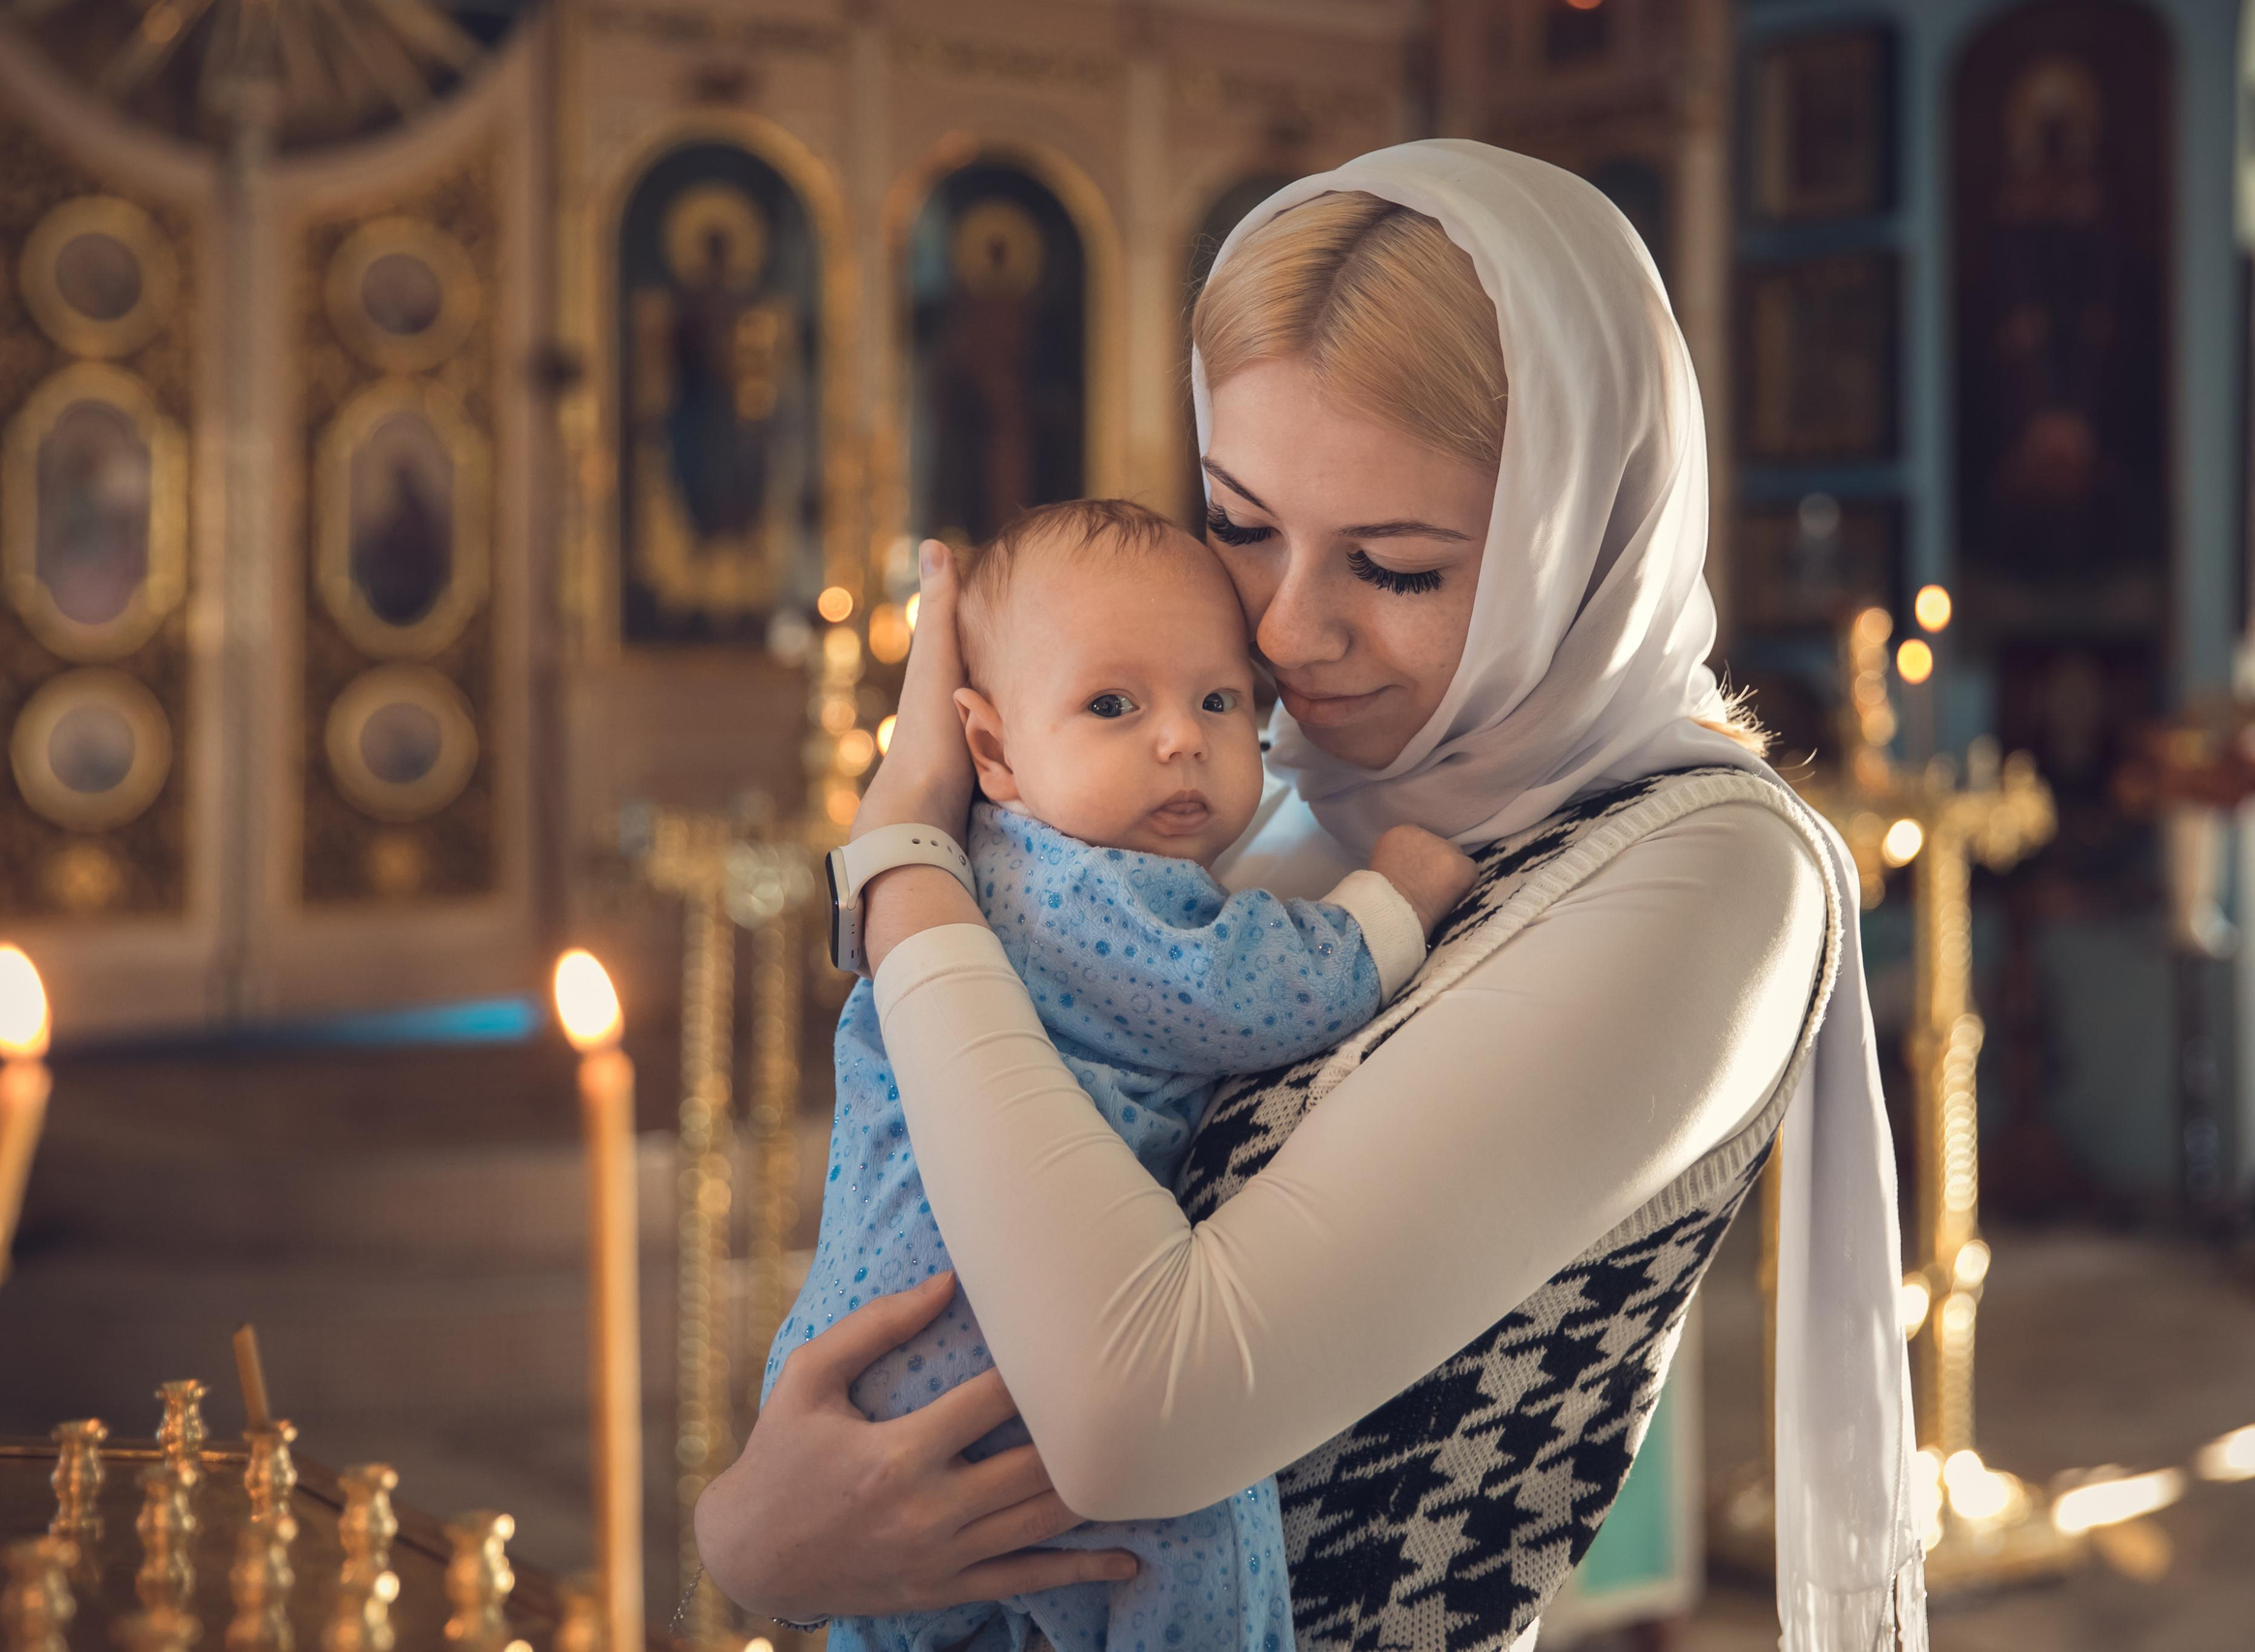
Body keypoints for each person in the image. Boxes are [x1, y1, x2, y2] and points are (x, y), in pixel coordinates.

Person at [699, 140, 1927, 1652]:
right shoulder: (1269, 789)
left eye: (1395, 567)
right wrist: (755, 1532)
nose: (1285, 630)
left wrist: (904, 864)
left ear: (1577, 537)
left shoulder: (1708, 871)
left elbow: (1142, 1420)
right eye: (1241, 522)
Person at [761, 496, 1474, 1652]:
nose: (1179, 738)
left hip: (879, 1350)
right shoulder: (1077, 887)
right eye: (1111, 705)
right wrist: (1394, 896)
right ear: (989, 749)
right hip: (983, 1340)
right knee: (1199, 1480)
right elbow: (1258, 992)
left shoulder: (988, 869)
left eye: (1218, 699)